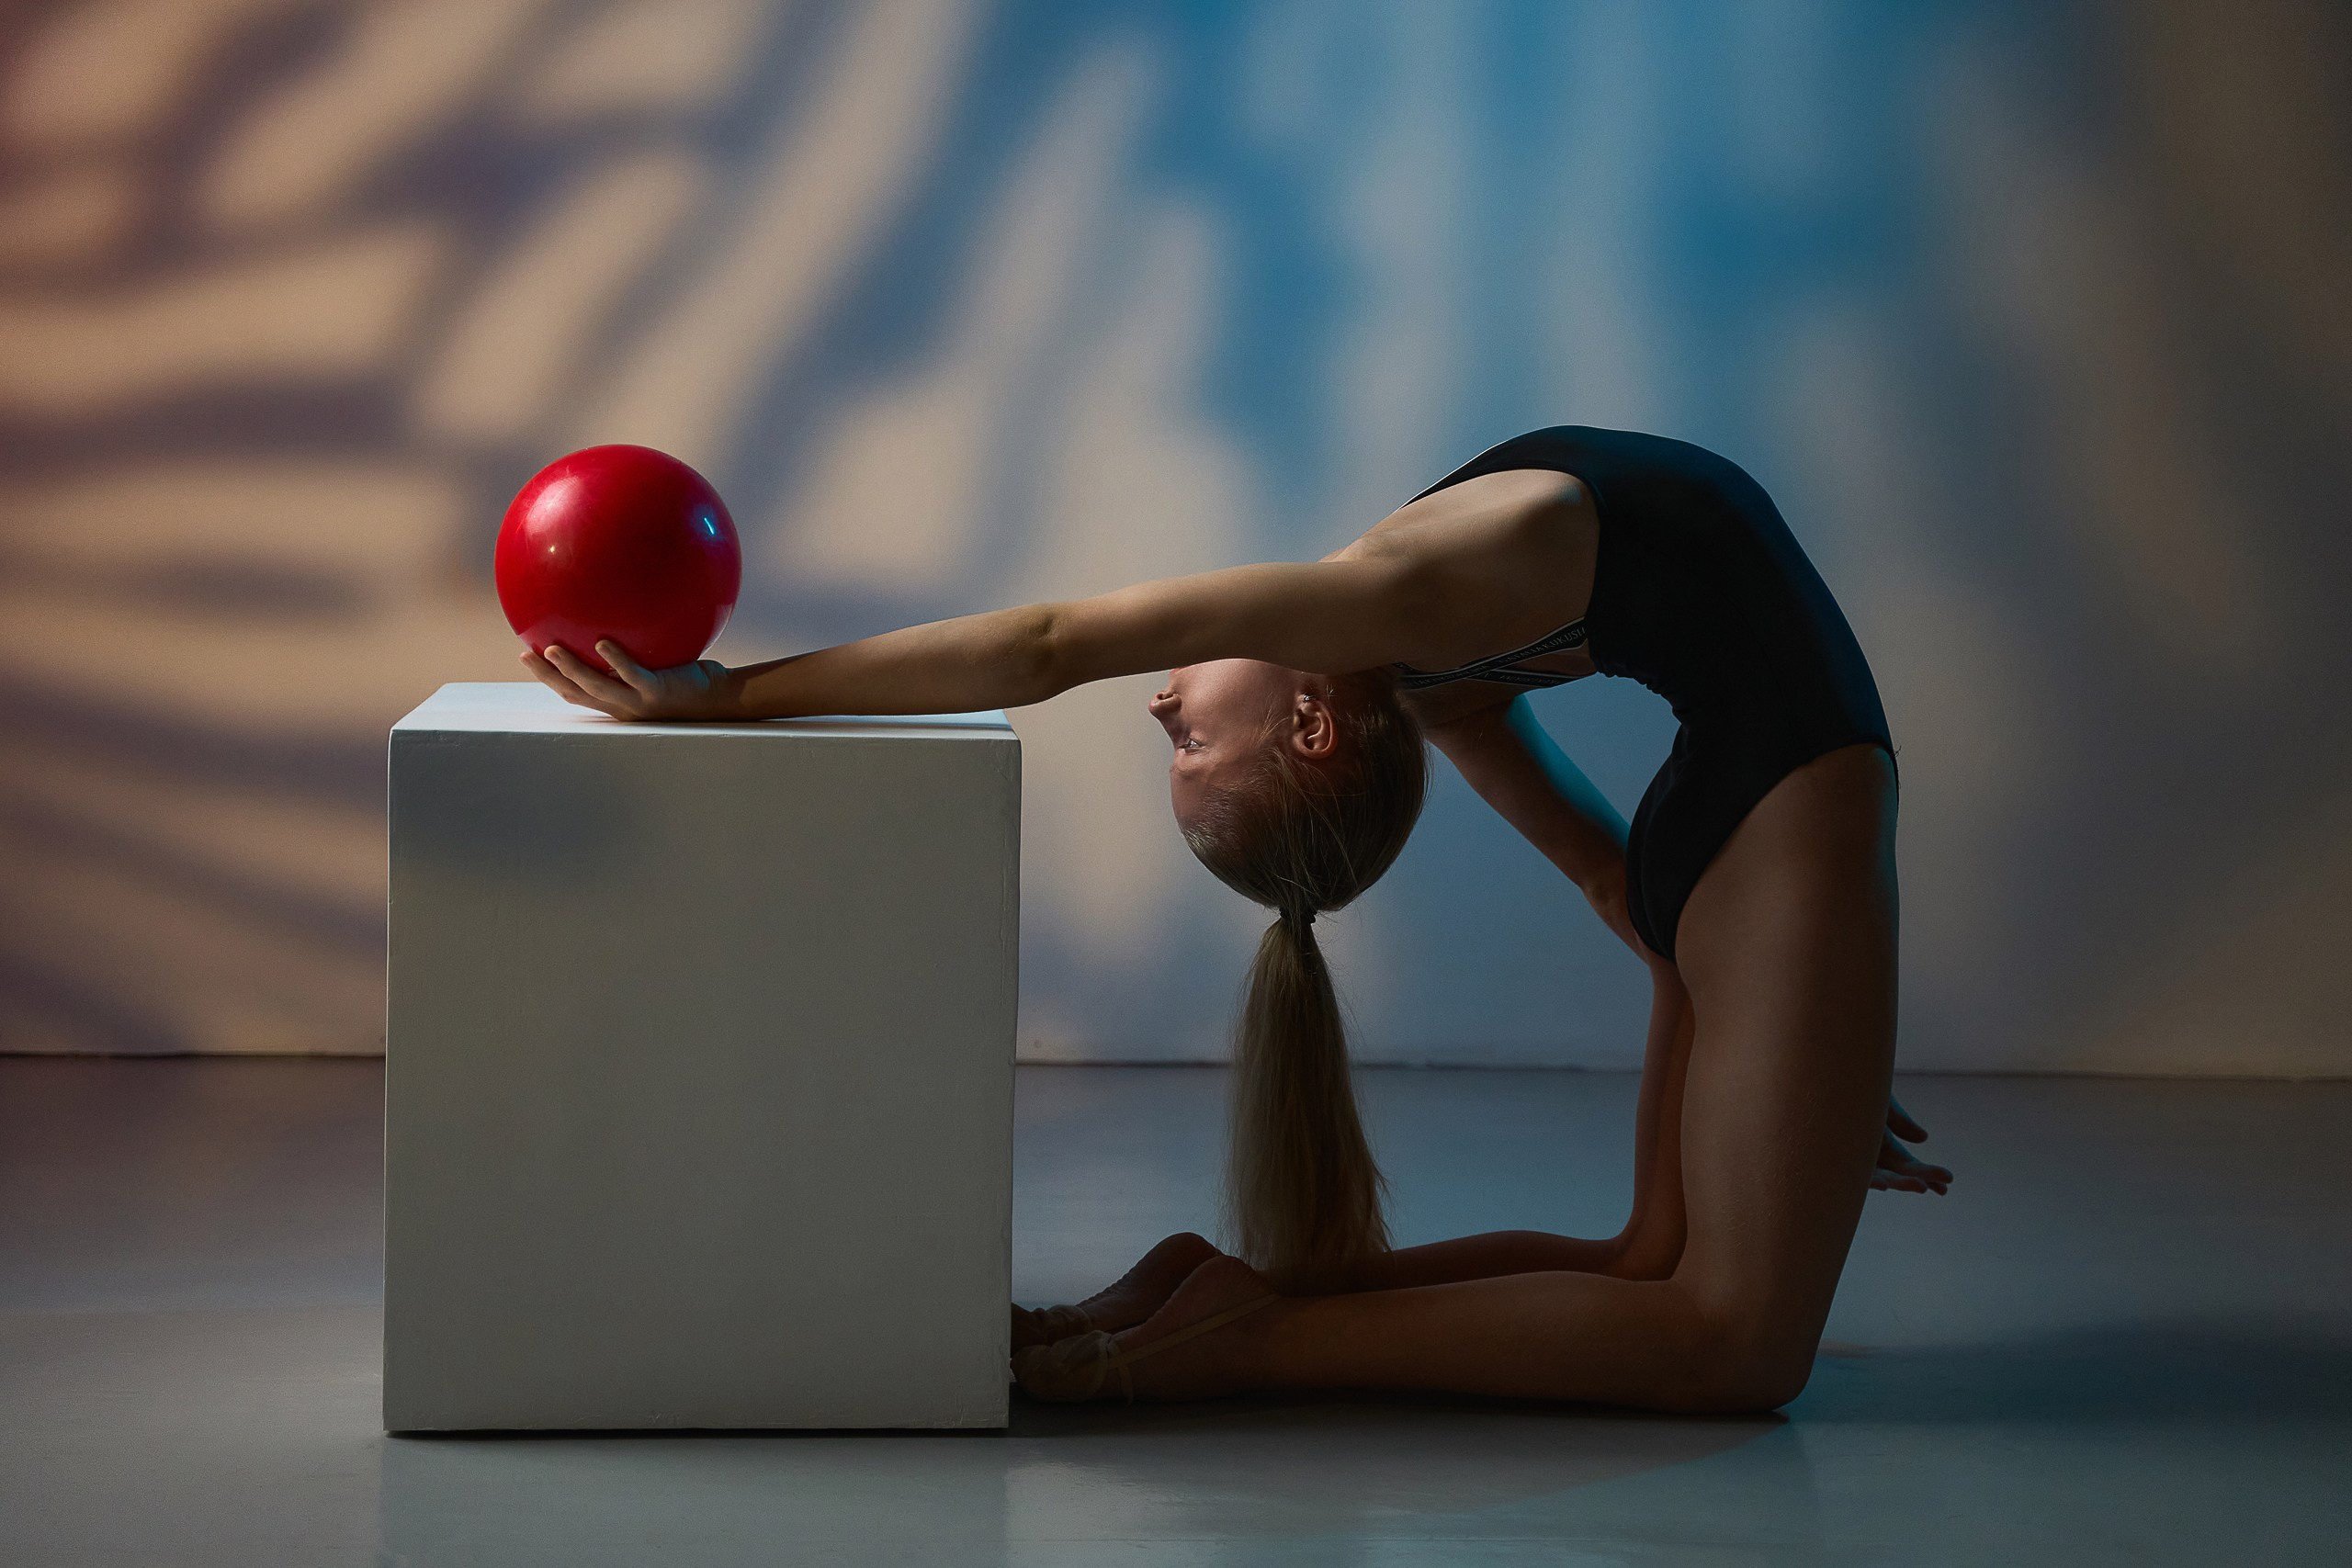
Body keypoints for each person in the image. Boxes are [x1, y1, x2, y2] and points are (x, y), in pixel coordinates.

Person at [526, 424, 1954, 1414]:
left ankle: (1242, 1300)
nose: (1162, 706)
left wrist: (743, 689)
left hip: (1746, 823)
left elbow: (1046, 645)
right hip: (1789, 795)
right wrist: (1789, 1021)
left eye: (1181, 747)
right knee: (1733, 1351)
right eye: (1188, 748)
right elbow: (1606, 874)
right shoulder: (1412, 645)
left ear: (1316, 717)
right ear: (1323, 725)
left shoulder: (1404, 613)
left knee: (1659, 1271)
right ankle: (1252, 1342)